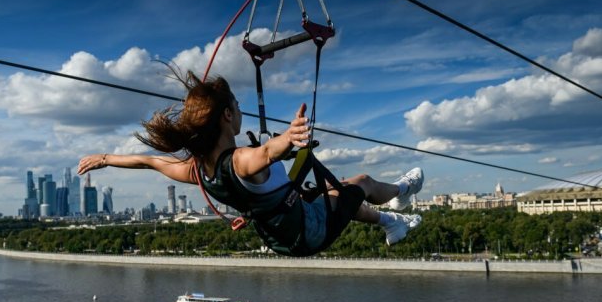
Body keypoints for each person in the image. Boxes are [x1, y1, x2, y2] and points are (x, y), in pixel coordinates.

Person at [77, 71, 423, 257]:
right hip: (307, 231)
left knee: (339, 196)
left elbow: (150, 161)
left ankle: (392, 221)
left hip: (283, 237)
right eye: (238, 105)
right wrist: (290, 136)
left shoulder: (197, 170)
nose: (241, 110)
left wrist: (107, 159)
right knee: (359, 181)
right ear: (228, 115)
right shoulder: (241, 160)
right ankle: (403, 191)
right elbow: (266, 153)